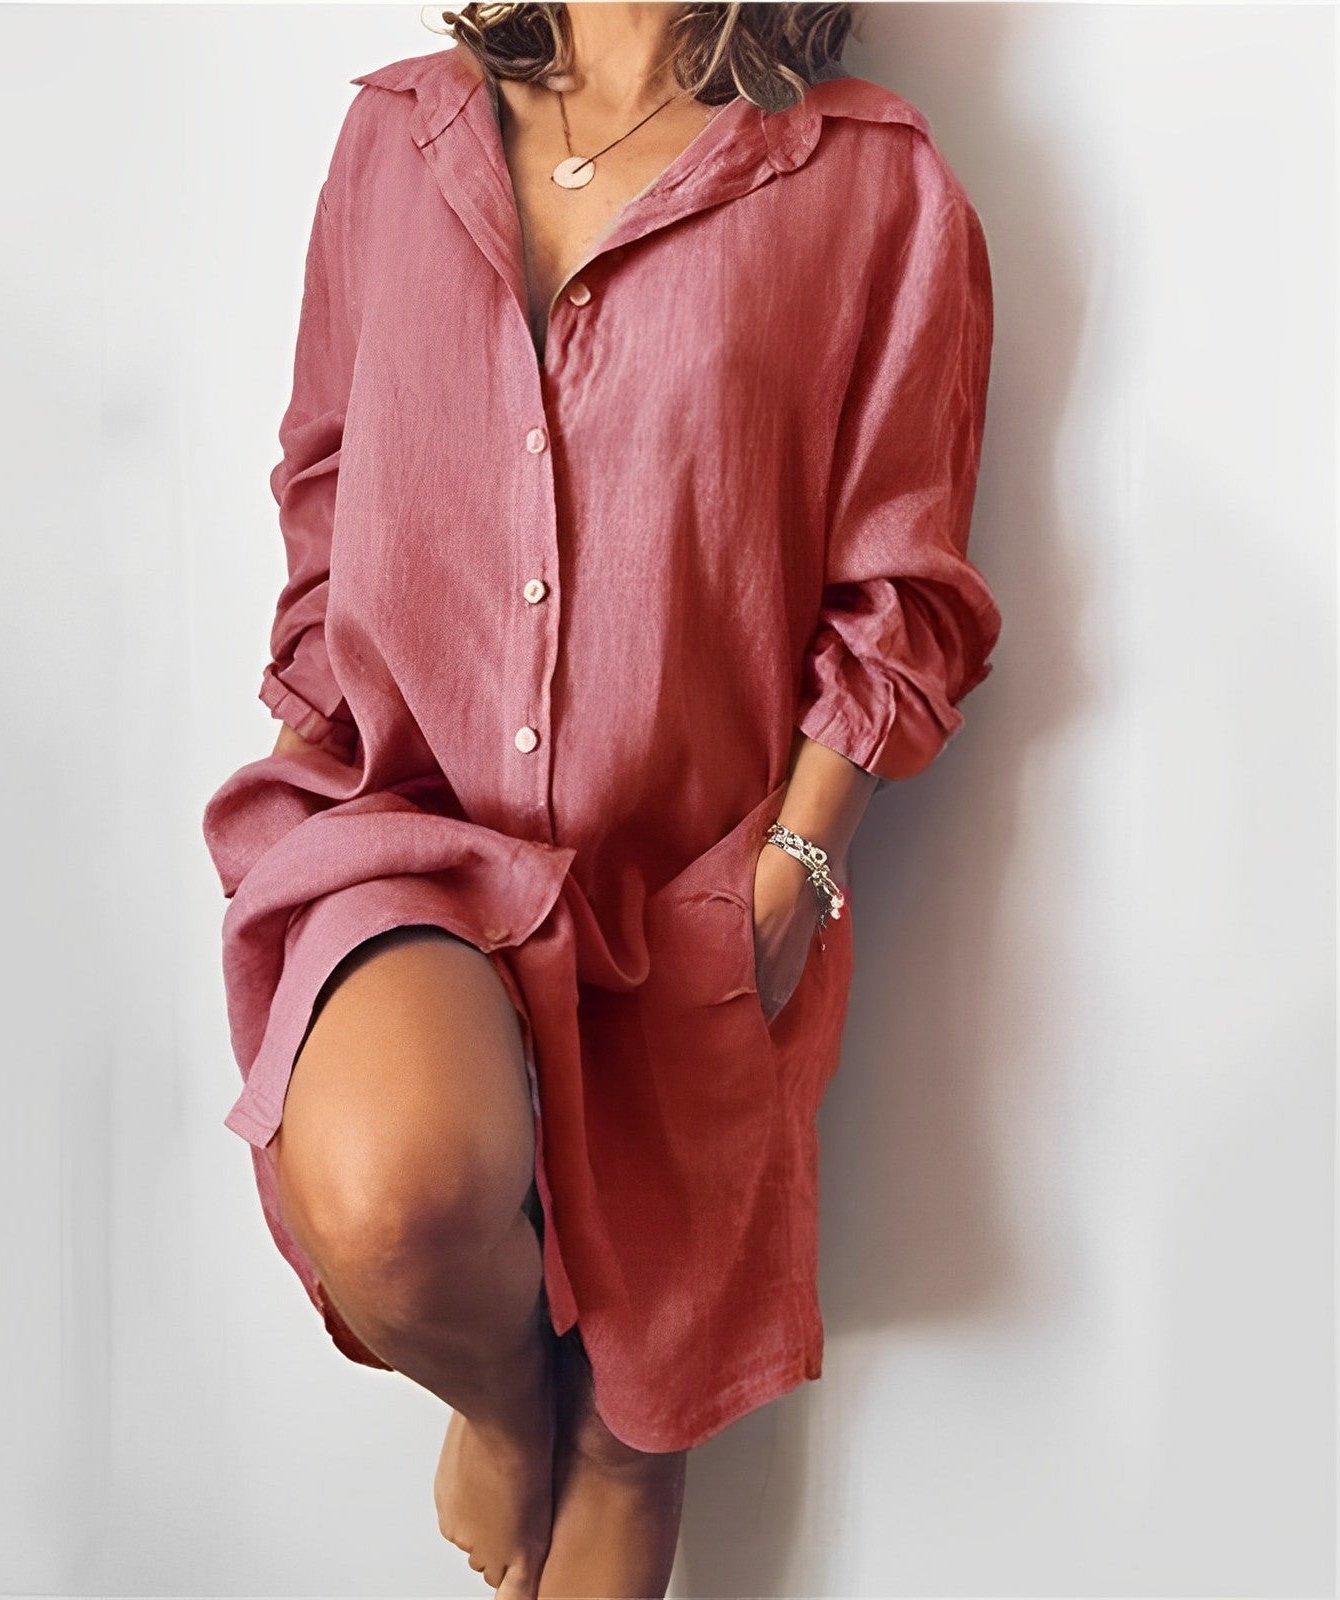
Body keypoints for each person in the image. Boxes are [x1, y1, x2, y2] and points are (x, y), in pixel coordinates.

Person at [201, 3, 1003, 1594]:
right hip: (412, 836)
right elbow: (328, 477)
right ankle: (511, 1403)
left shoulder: (871, 181)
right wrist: (303, 740)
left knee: (634, 1464)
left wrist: (796, 860)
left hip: (682, 907)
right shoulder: (401, 140)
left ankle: (587, 1420)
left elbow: (901, 585)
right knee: (397, 1202)